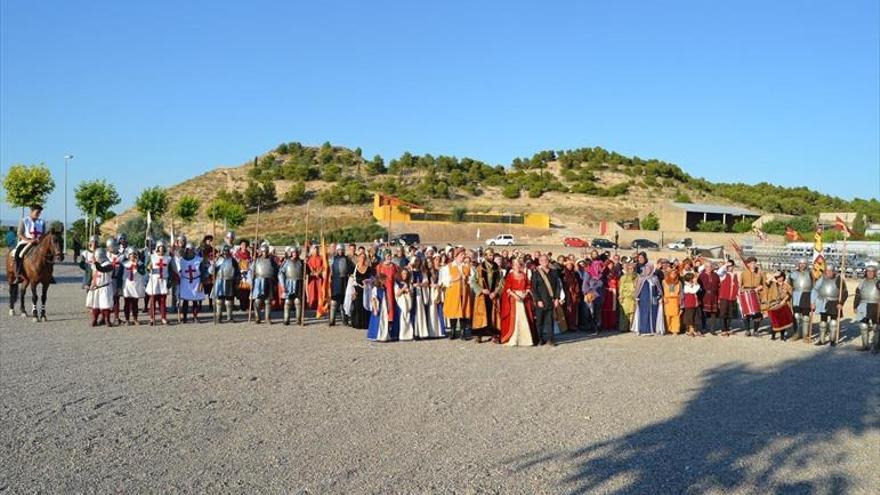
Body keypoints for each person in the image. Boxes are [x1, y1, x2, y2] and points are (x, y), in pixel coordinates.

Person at [499, 258, 536, 346]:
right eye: (515, 264)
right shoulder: (510, 275)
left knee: (524, 318)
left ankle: (525, 339)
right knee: (516, 318)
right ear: (512, 266)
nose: (518, 266)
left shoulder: (524, 274)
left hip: (524, 299)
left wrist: (525, 293)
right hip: (514, 299)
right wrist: (516, 296)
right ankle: (514, 338)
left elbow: (528, 285)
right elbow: (507, 288)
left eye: (519, 264)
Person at [812, 265, 848, 346]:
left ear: (834, 271)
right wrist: (813, 302)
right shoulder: (822, 279)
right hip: (822, 302)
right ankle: (821, 340)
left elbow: (845, 293)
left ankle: (832, 340)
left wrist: (841, 303)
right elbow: (815, 289)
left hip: (834, 302)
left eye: (831, 271)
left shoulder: (839, 279)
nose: (829, 272)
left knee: (833, 323)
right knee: (823, 323)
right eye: (827, 271)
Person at [471, 249, 501, 343]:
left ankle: (494, 335)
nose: (491, 257)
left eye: (492, 255)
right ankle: (479, 335)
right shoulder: (480, 268)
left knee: (493, 316)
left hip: (492, 295)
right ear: (485, 256)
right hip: (482, 296)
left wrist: (495, 292)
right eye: (489, 255)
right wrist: (481, 290)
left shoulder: (496, 268)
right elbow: (473, 281)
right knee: (481, 315)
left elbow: (500, 282)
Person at [441, 247, 472, 340]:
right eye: (462, 255)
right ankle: (453, 331)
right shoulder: (449, 266)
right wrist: (455, 279)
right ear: (456, 256)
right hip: (453, 292)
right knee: (453, 311)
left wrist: (466, 280)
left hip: (464, 292)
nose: (463, 257)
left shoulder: (466, 267)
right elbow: (444, 280)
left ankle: (463, 332)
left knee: (463, 311)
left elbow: (471, 279)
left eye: (464, 255)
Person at [531, 254, 561, 346]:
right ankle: (540, 339)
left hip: (551, 300)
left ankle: (550, 339)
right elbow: (534, 288)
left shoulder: (554, 272)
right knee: (539, 321)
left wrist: (556, 298)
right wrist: (538, 300)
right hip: (540, 300)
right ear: (539, 262)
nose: (545, 262)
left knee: (550, 321)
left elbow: (557, 287)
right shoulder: (536, 273)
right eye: (542, 260)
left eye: (546, 260)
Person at [176, 242, 206, 323]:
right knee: (185, 301)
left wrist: (201, 283)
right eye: (188, 250)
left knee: (195, 300)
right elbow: (178, 271)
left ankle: (195, 317)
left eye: (191, 249)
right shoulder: (181, 260)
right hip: (185, 282)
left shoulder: (199, 260)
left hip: (196, 281)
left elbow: (203, 273)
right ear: (186, 250)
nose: (190, 251)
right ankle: (184, 318)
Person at [13, 205, 45, 282]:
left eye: (39, 213)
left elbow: (43, 234)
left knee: (49, 254)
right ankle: (18, 273)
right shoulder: (24, 221)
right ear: (31, 211)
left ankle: (48, 275)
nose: (38, 214)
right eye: (37, 212)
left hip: (39, 243)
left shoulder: (42, 222)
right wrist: (29, 240)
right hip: (26, 242)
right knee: (19, 253)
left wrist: (40, 240)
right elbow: (20, 234)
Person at [209, 244, 240, 323]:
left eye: (227, 251)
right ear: (222, 251)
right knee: (219, 300)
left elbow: (237, 272)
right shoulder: (218, 260)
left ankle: (230, 317)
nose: (226, 252)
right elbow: (210, 271)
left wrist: (237, 281)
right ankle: (219, 317)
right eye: (224, 251)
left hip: (230, 281)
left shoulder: (232, 260)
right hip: (220, 280)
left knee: (229, 300)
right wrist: (213, 264)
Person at [146, 240, 174, 325]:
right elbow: (146, 268)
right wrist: (148, 267)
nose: (161, 249)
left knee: (162, 301)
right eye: (160, 248)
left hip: (163, 281)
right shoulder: (152, 257)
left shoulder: (168, 258)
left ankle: (163, 318)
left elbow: (170, 270)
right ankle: (152, 318)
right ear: (157, 248)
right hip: (154, 281)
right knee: (153, 300)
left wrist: (170, 281)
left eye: (163, 248)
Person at [85, 247, 115, 327]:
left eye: (96, 257)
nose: (95, 258)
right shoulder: (94, 265)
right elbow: (91, 274)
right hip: (95, 287)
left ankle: (107, 320)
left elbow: (101, 269)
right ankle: (94, 320)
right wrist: (88, 283)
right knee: (95, 305)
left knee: (106, 305)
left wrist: (95, 263)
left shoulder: (109, 265)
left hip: (105, 287)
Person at [853, 263, 879, 353]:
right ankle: (865, 345)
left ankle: (876, 347)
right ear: (866, 272)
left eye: (872, 272)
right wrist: (855, 305)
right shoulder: (862, 282)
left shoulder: (878, 282)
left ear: (875, 273)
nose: (870, 273)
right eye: (868, 271)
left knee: (876, 327)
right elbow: (857, 294)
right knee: (863, 325)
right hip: (863, 304)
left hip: (876, 305)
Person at [632, 263, 664, 335]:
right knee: (644, 313)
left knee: (653, 313)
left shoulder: (655, 278)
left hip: (653, 299)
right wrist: (636, 297)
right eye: (646, 268)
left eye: (649, 269)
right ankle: (643, 330)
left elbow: (659, 289)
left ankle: (652, 329)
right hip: (643, 299)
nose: (648, 270)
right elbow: (637, 289)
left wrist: (659, 297)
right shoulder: (641, 278)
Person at [250, 241, 277, 324]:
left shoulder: (272, 261)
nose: (264, 253)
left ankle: (267, 318)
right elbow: (251, 271)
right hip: (259, 281)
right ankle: (257, 317)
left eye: (266, 251)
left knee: (268, 301)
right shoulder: (256, 260)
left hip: (269, 281)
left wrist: (276, 282)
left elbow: (276, 271)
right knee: (257, 300)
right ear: (261, 252)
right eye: (263, 251)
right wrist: (251, 281)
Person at [788, 259, 814, 341]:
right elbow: (788, 285)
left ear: (806, 264)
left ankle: (805, 335)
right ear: (798, 264)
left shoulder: (810, 273)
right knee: (796, 316)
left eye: (804, 264)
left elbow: (814, 285)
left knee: (806, 316)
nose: (802, 265)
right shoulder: (793, 274)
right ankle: (796, 333)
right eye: (801, 263)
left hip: (807, 295)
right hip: (796, 295)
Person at [738, 257, 765, 337]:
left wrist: (759, 288)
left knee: (757, 314)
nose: (753, 265)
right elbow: (740, 285)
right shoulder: (743, 273)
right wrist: (742, 290)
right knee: (746, 313)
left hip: (756, 294)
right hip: (746, 294)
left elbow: (764, 284)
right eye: (752, 263)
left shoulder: (760, 273)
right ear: (748, 264)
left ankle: (756, 331)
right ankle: (747, 330)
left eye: (754, 263)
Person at [278, 247, 304, 325]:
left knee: (298, 301)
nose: (294, 254)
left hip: (298, 282)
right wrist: (283, 285)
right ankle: (286, 319)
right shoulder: (286, 262)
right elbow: (280, 273)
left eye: (296, 252)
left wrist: (306, 263)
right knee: (288, 301)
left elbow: (307, 271)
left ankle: (298, 319)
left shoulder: (301, 262)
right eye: (293, 252)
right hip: (289, 283)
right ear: (291, 253)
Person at [367, 273, 397, 341]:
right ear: (380, 280)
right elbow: (373, 298)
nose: (385, 281)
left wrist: (388, 306)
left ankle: (384, 335)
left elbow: (386, 297)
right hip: (378, 307)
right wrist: (375, 309)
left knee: (384, 320)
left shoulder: (384, 288)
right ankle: (376, 335)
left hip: (384, 307)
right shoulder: (375, 288)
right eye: (384, 279)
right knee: (377, 321)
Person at [765, 271, 794, 341]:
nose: (780, 278)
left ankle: (782, 336)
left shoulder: (787, 285)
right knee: (774, 321)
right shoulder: (773, 284)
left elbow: (790, 294)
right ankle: (773, 335)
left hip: (783, 304)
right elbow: (766, 282)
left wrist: (784, 300)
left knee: (782, 321)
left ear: (783, 277)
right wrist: (774, 275)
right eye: (778, 277)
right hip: (773, 304)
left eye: (781, 277)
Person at [330, 244, 353, 326]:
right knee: (334, 301)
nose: (340, 251)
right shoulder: (332, 259)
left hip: (344, 281)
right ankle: (332, 320)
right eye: (339, 250)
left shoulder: (347, 259)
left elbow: (351, 271)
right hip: (335, 281)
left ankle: (345, 320)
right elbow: (328, 270)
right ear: (337, 250)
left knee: (344, 301)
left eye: (341, 250)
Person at [121, 247, 146, 325]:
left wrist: (137, 265)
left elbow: (143, 273)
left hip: (136, 285)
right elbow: (120, 274)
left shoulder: (140, 263)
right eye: (131, 254)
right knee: (127, 303)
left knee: (135, 303)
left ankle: (135, 318)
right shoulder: (124, 264)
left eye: (135, 254)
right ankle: (127, 319)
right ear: (128, 255)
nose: (133, 256)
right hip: (127, 285)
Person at [408, 257, 432, 339]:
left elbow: (426, 282)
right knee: (414, 313)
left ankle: (422, 332)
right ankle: (414, 332)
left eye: (418, 260)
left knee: (421, 312)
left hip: (421, 294)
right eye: (415, 261)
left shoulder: (422, 272)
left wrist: (421, 284)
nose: (417, 262)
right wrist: (413, 285)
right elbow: (408, 282)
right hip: (414, 294)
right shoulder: (411, 272)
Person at [349, 252, 374, 330]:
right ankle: (357, 323)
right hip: (357, 290)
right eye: (361, 257)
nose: (362, 259)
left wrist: (367, 281)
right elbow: (351, 280)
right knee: (357, 306)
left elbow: (371, 278)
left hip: (366, 290)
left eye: (364, 257)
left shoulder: (368, 268)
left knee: (365, 306)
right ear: (358, 258)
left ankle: (366, 324)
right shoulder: (354, 268)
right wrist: (353, 291)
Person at [580, 260, 604, 334]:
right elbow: (585, 284)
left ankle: (596, 328)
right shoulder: (590, 273)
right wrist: (586, 292)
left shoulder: (599, 274)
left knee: (595, 312)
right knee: (593, 312)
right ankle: (594, 328)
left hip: (597, 295)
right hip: (592, 295)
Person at [105, 238, 124, 326]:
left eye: (111, 247)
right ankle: (106, 318)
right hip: (108, 280)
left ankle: (116, 317)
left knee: (116, 299)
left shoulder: (122, 256)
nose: (110, 249)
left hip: (117, 279)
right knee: (107, 299)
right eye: (109, 247)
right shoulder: (106, 255)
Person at [698, 261, 721, 334]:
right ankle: (703, 328)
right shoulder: (701, 275)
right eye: (707, 267)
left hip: (714, 296)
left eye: (710, 266)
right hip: (704, 295)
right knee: (703, 312)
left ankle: (712, 329)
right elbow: (698, 286)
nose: (709, 268)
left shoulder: (716, 275)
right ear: (705, 267)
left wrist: (719, 297)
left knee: (713, 313)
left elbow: (719, 286)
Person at [717, 260, 739, 337]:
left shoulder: (735, 275)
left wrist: (737, 295)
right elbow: (719, 272)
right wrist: (725, 265)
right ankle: (723, 330)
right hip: (724, 297)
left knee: (730, 314)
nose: (730, 267)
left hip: (732, 298)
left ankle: (728, 329)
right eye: (728, 266)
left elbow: (736, 286)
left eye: (731, 266)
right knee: (723, 314)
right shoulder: (723, 275)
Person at [561, 259, 582, 332]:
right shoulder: (563, 274)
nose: (569, 266)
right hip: (565, 294)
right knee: (566, 310)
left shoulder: (575, 274)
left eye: (571, 265)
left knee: (573, 310)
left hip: (573, 294)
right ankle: (565, 326)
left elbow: (578, 284)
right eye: (568, 265)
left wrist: (576, 293)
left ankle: (572, 325)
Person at [395, 268, 415, 341]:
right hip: (401, 302)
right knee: (402, 317)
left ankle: (409, 335)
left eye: (406, 274)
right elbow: (397, 294)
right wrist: (404, 289)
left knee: (408, 317)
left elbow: (412, 294)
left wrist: (409, 291)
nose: (405, 275)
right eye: (403, 273)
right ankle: (402, 335)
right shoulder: (397, 283)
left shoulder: (409, 283)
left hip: (408, 302)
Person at [617, 261, 637, 331]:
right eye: (629, 268)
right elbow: (621, 287)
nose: (631, 270)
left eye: (632, 268)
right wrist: (620, 296)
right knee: (625, 313)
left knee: (633, 313)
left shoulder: (637, 277)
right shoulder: (623, 277)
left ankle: (631, 327)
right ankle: (623, 327)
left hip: (633, 297)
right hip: (625, 297)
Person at [662, 270, 683, 335]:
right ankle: (668, 329)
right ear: (669, 274)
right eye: (672, 274)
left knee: (676, 316)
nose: (673, 275)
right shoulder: (664, 282)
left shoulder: (679, 282)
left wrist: (681, 302)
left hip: (675, 300)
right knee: (667, 316)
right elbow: (661, 291)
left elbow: (681, 293)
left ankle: (675, 330)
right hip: (667, 300)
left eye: (675, 274)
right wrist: (663, 298)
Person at [682, 272, 702, 337]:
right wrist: (696, 284)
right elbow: (694, 291)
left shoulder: (692, 284)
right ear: (690, 279)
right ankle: (690, 330)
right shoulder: (685, 286)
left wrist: (695, 283)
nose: (694, 279)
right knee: (689, 318)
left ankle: (695, 330)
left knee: (695, 317)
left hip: (695, 303)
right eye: (693, 278)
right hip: (689, 304)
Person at [601, 259, 619, 331]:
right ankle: (605, 324)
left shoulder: (615, 273)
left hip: (614, 292)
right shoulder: (603, 274)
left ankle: (612, 324)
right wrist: (607, 288)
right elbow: (601, 283)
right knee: (605, 308)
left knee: (613, 308)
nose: (610, 266)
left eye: (612, 264)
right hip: (606, 292)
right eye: (609, 264)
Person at [305, 245, 324, 312]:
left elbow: (323, 266)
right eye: (314, 249)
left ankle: (320, 305)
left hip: (319, 277)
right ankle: (312, 305)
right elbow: (308, 266)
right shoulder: (309, 258)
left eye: (317, 249)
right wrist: (313, 272)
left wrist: (319, 272)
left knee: (319, 291)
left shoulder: (321, 258)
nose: (315, 250)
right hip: (312, 278)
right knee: (312, 291)